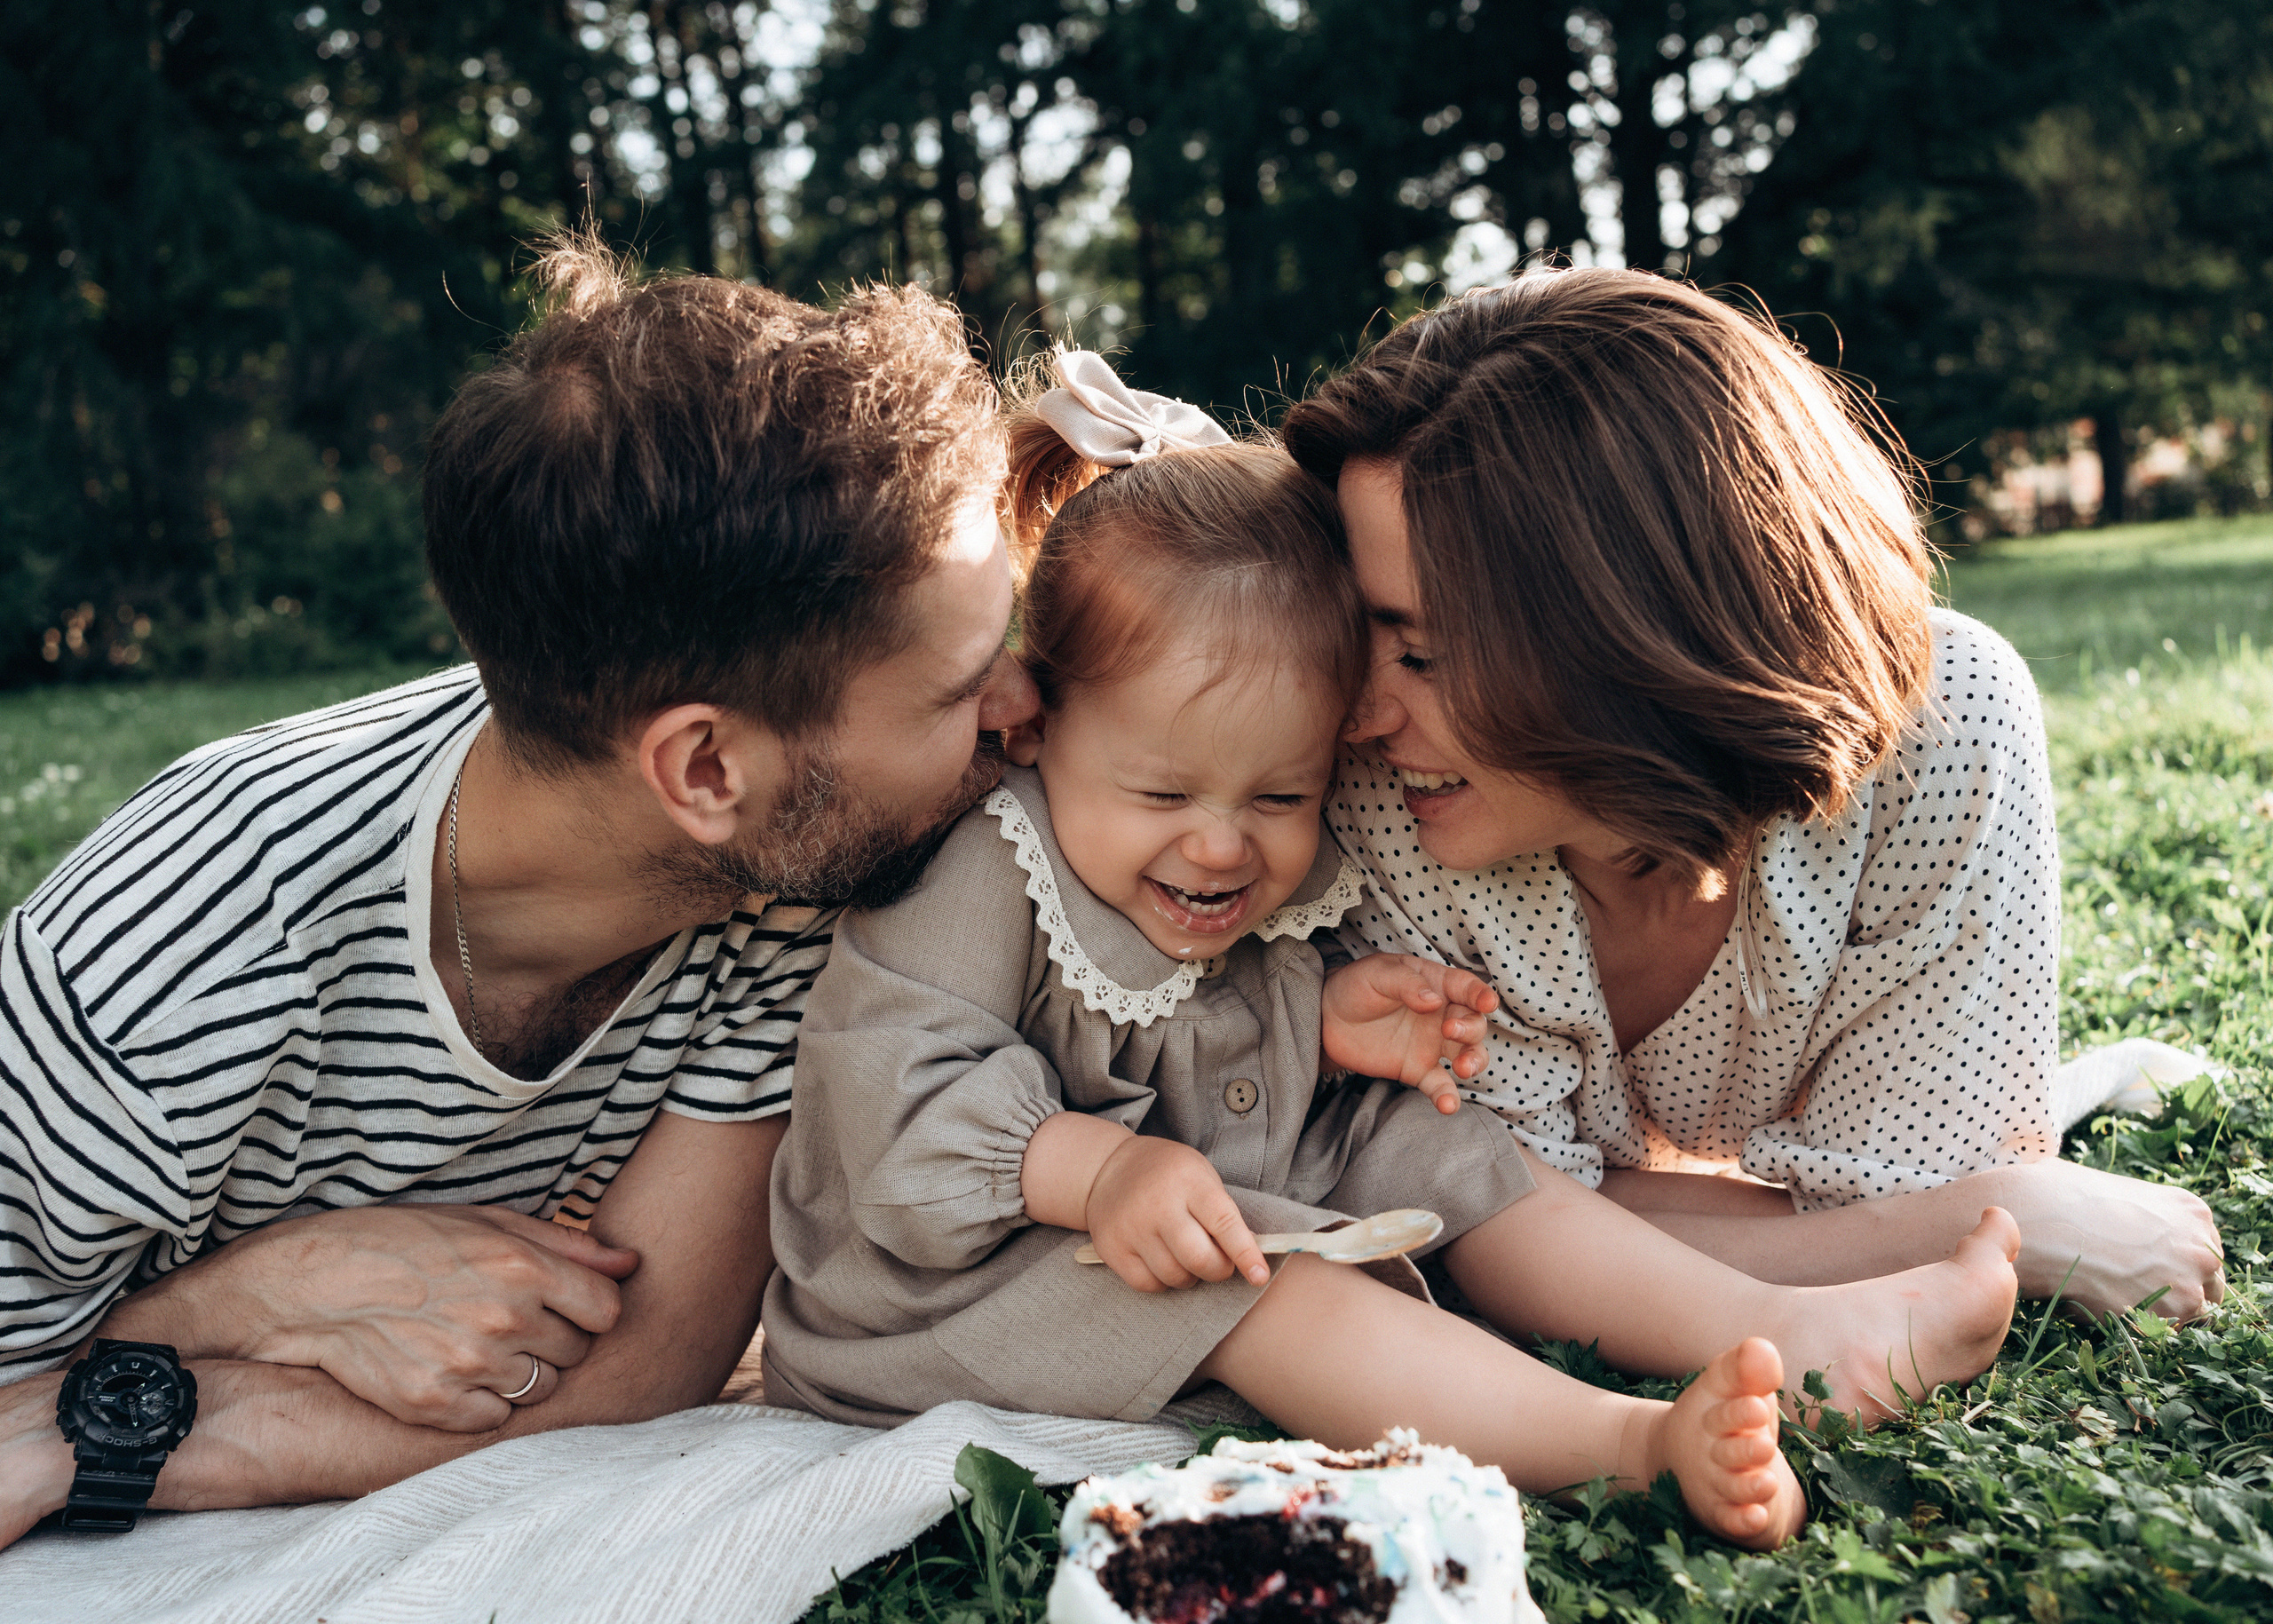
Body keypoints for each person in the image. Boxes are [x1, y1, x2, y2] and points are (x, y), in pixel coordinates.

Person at [760, 352, 2026, 1554]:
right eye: (1165, 795)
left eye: (1280, 796)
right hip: (949, 1285)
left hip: (1195, 1194)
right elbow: (893, 1106)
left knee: (1457, 1153)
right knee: (1272, 1283)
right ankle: (1629, 1443)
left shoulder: (1217, 845)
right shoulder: (989, 865)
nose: (1222, 846)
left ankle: (1779, 1330)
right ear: (1042, 725)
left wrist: (1317, 1023)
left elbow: (1198, 1036)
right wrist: (1096, 1173)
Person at [0, 235, 1038, 1546]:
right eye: (959, 688)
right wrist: (256, 1295)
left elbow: (648, 1357)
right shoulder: (166, 963)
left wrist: (187, 1406)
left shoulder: (793, 869)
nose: (1022, 710)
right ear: (706, 768)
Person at [1278, 269, 2225, 1323]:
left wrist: (1934, 1208)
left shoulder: (1944, 725)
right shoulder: (1383, 796)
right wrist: (2005, 1218)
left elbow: (1906, 1179)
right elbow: (1483, 1228)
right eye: (1363, 632)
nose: (1359, 713)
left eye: (1423, 652)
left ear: (1639, 634)